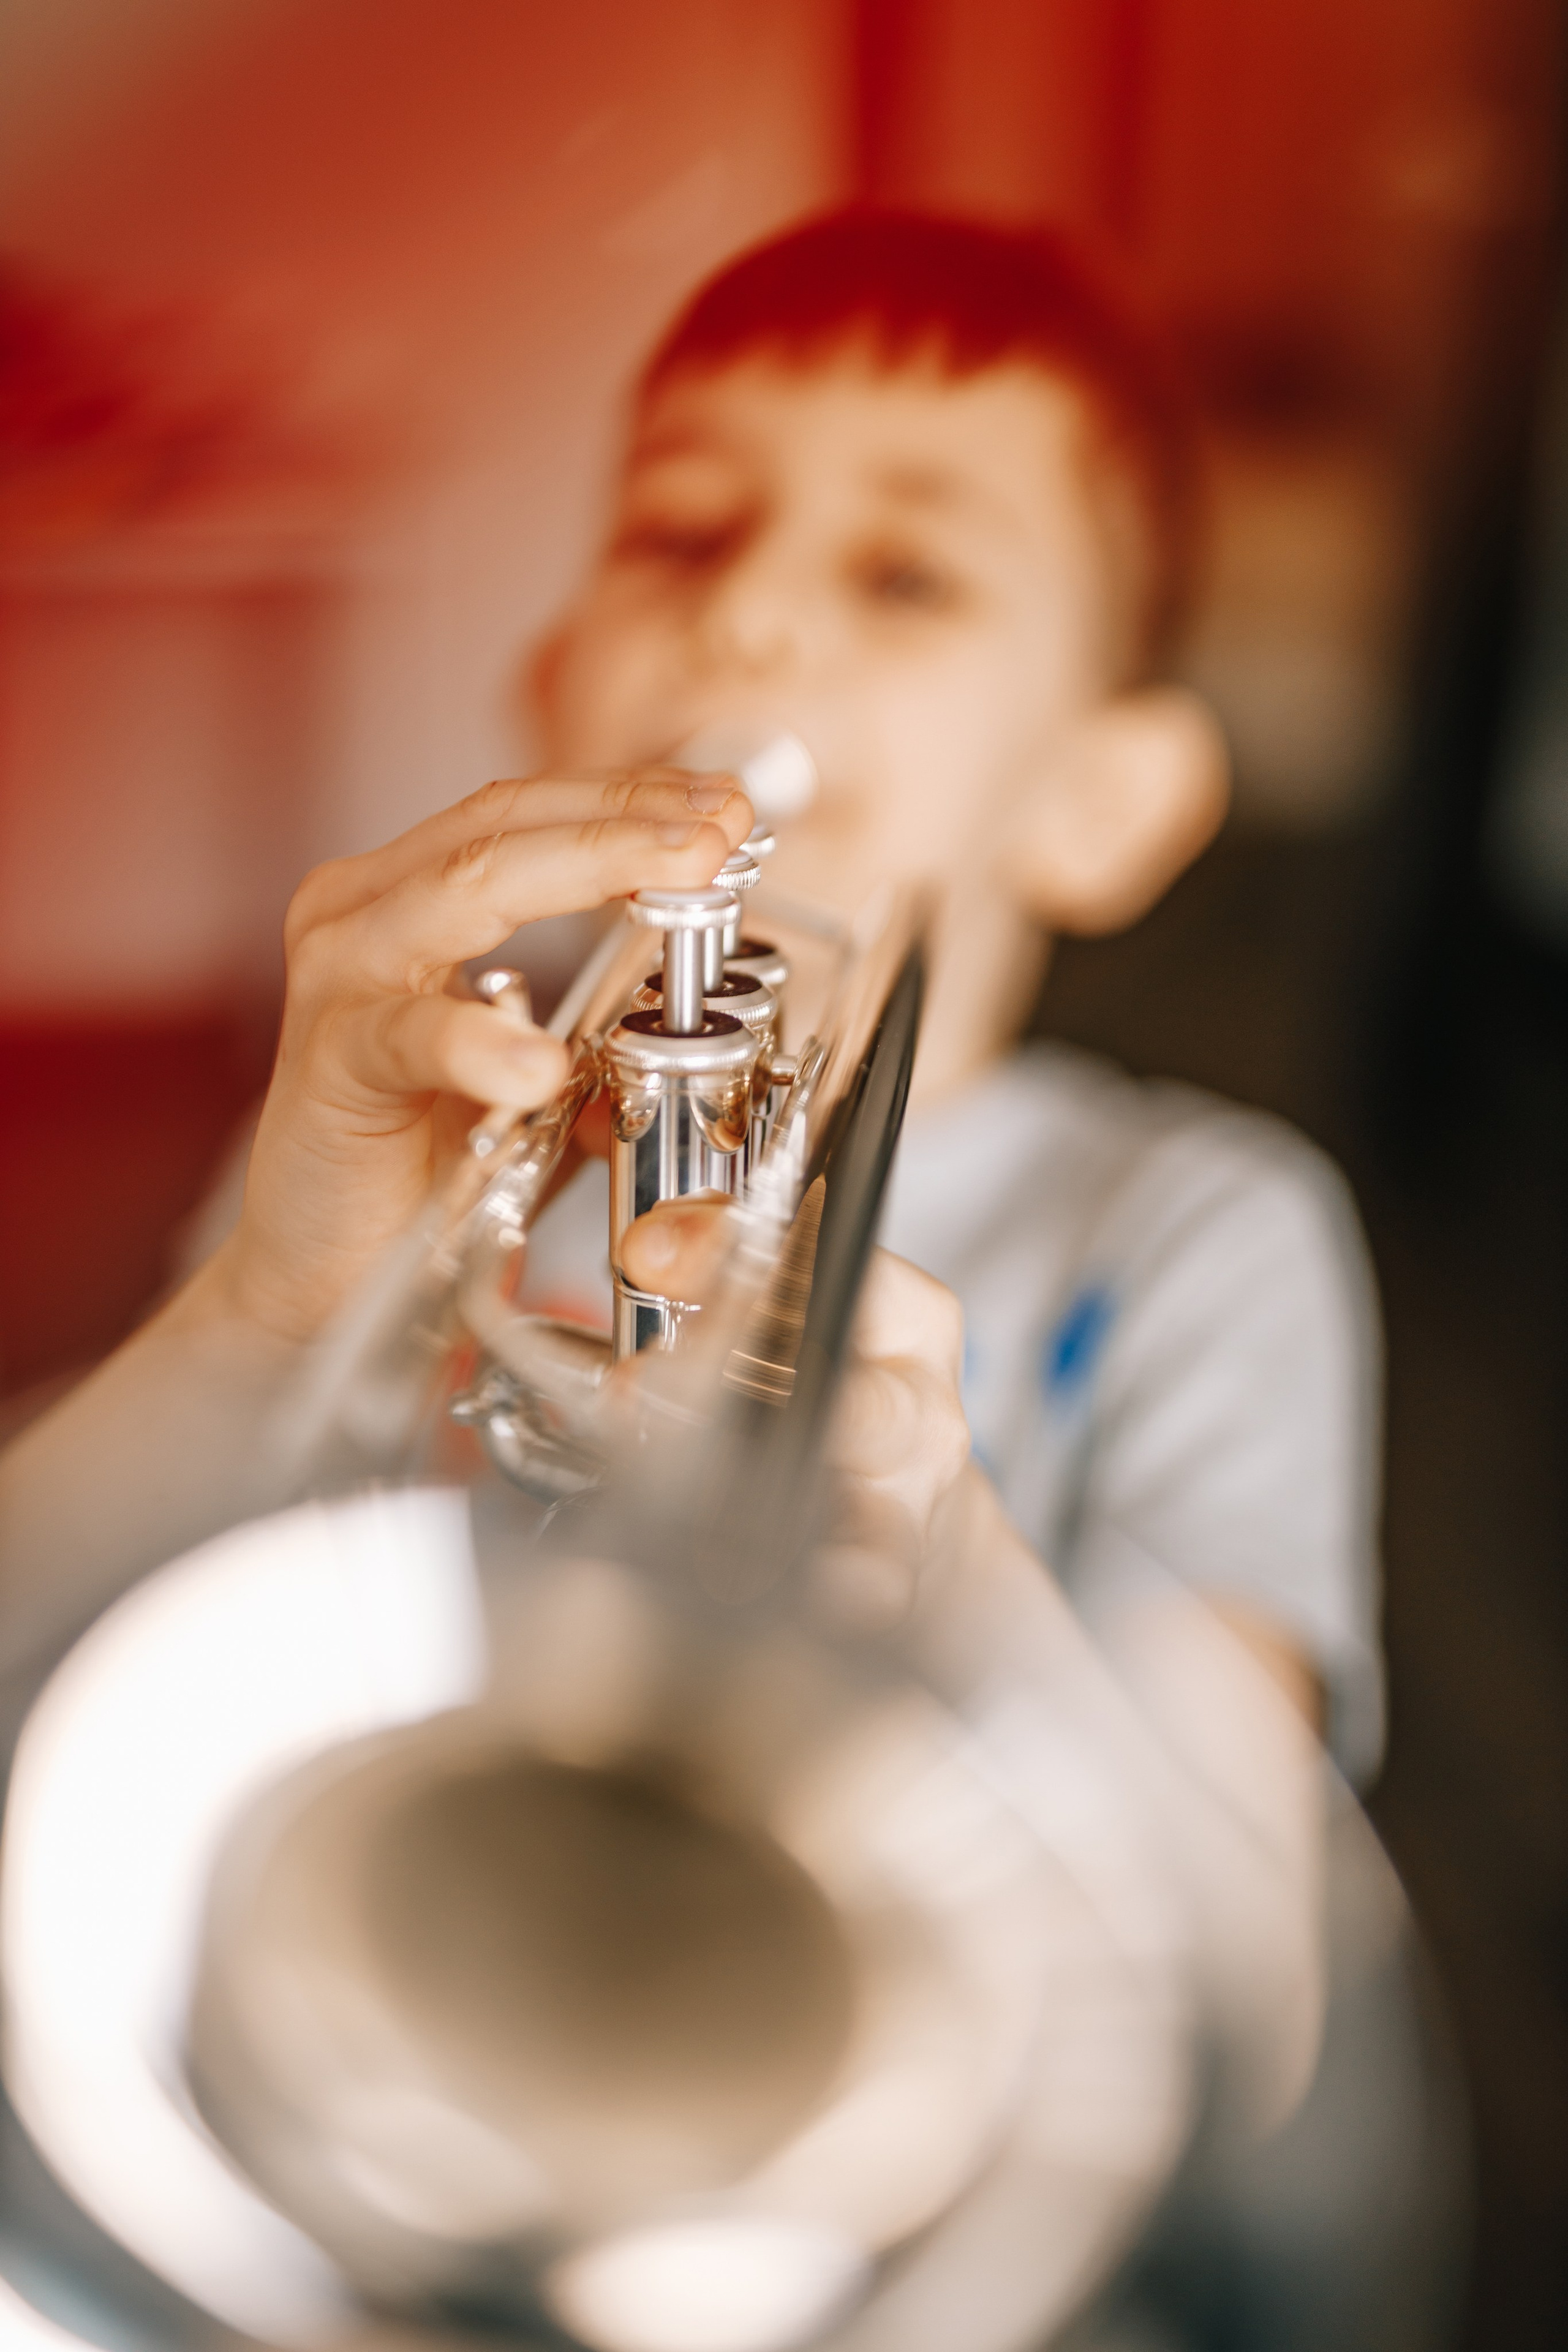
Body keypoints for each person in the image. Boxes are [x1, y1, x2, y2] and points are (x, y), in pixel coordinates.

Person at [0, 211, 1451, 2348]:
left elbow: (1254, 1926)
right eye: (683, 533)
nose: (753, 612)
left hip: (895, 2174)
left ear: (1105, 802)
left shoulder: (1197, 1225)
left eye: (906, 575)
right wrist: (262, 1310)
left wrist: (951, 1549)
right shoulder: (397, 1134)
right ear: (549, 692)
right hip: (360, 2070)